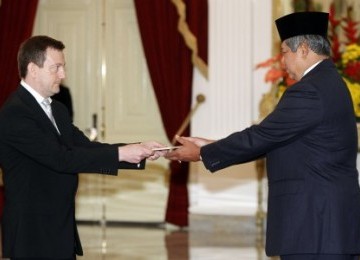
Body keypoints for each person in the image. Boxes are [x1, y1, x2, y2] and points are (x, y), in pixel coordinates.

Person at [166, 12, 360, 260]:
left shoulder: (310, 89)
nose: (282, 60)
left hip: (316, 222)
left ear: (302, 50)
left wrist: (202, 153)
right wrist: (211, 145)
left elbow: (262, 135)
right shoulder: (329, 81)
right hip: (322, 222)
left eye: (284, 52)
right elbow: (273, 138)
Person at [0, 35, 166, 259]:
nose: (63, 75)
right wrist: (122, 153)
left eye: (63, 67)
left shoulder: (57, 109)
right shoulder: (15, 112)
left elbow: (85, 148)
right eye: (56, 67)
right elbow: (61, 158)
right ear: (33, 69)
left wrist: (137, 149)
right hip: (32, 231)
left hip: (60, 226)